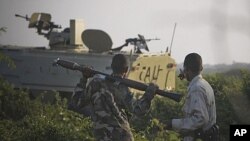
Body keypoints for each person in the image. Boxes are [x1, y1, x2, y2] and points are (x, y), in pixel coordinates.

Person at [77, 54, 158, 141]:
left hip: (102, 136)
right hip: (122, 136)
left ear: (111, 66)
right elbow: (138, 110)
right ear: (126, 70)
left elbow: (77, 102)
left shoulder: (95, 83)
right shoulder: (122, 88)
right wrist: (148, 95)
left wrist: (84, 78)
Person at [165, 53, 218, 141]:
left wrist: (173, 123)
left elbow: (200, 118)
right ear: (201, 68)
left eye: (185, 70)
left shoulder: (196, 88)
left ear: (188, 69)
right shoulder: (204, 84)